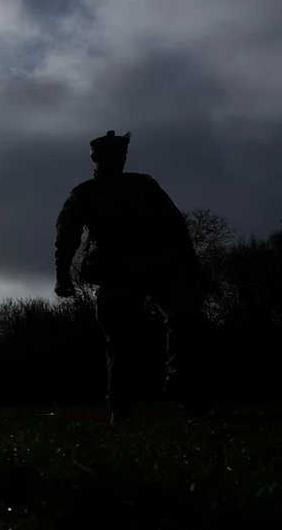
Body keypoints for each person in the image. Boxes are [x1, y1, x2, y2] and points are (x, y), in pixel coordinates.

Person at [54, 130, 208, 423]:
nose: (119, 161)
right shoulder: (85, 194)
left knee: (184, 320)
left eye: (122, 155)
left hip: (159, 266)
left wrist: (189, 265)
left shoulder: (143, 185)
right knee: (122, 341)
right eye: (114, 156)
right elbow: (66, 237)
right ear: (98, 159)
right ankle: (121, 409)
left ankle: (185, 392)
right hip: (117, 272)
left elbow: (175, 226)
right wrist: (62, 276)